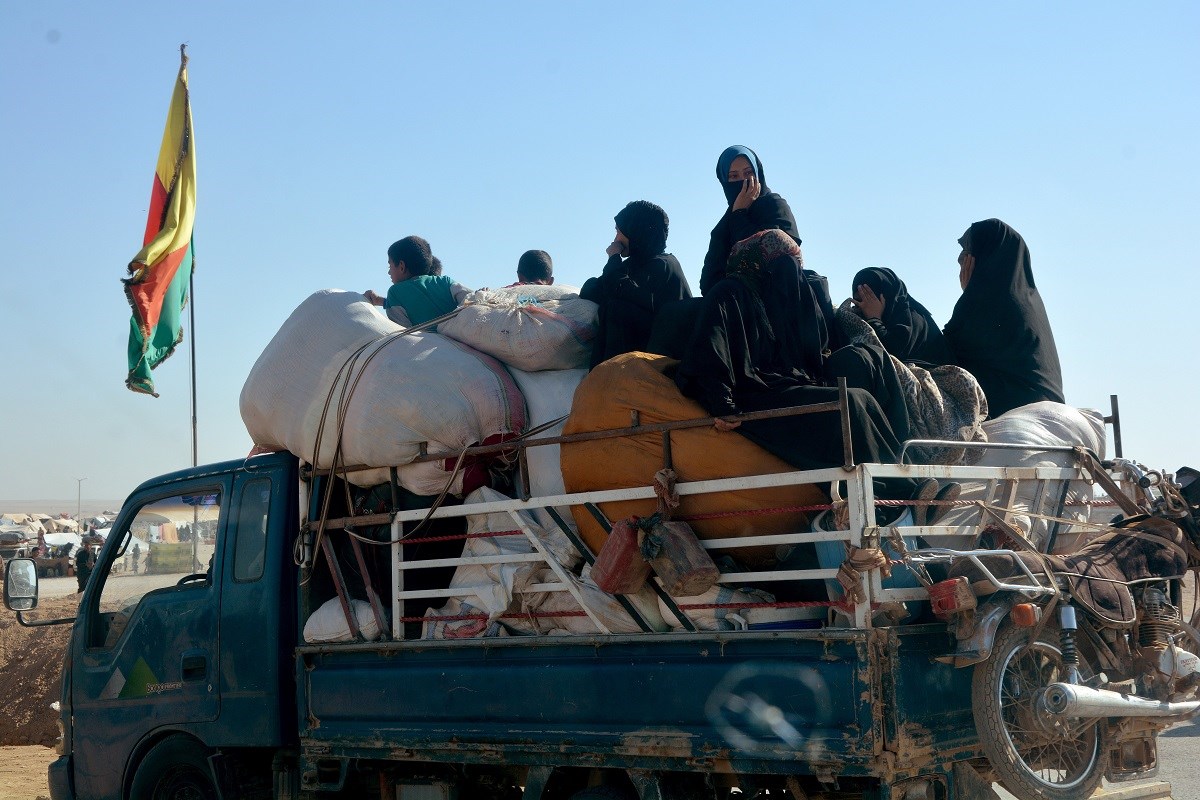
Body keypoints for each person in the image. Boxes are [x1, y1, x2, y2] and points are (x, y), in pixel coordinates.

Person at [676, 229, 953, 525]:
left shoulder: (772, 297)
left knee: (863, 400)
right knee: (850, 402)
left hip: (783, 385)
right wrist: (722, 405)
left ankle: (913, 482)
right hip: (752, 396)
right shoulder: (728, 293)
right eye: (785, 265)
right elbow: (710, 350)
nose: (792, 275)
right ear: (761, 263)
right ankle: (908, 493)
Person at [943, 219, 1064, 418]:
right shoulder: (1026, 299)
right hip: (1047, 404)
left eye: (967, 256)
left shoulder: (986, 301)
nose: (962, 263)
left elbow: (946, 351)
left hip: (1015, 407)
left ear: (983, 258)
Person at [580, 200, 692, 367]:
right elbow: (594, 289)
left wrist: (613, 258)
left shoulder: (664, 265)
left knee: (617, 308)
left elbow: (620, 290)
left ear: (636, 231)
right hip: (634, 363)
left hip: (661, 361)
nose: (615, 239)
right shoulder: (633, 265)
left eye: (619, 232)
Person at [700, 146, 803, 295]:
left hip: (779, 301)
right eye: (734, 176)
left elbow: (780, 255)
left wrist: (739, 216)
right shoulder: (722, 228)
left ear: (758, 174)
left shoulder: (775, 206)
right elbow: (708, 282)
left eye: (748, 173)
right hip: (735, 306)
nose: (743, 181)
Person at [850, 267, 952, 366]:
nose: (863, 306)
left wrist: (874, 319)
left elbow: (891, 356)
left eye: (869, 298)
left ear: (886, 295)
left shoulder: (913, 320)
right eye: (858, 301)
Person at [364, 236, 471, 327]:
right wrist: (380, 301)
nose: (389, 272)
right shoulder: (446, 282)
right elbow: (471, 299)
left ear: (401, 266)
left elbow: (402, 334)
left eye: (389, 265)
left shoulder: (395, 293)